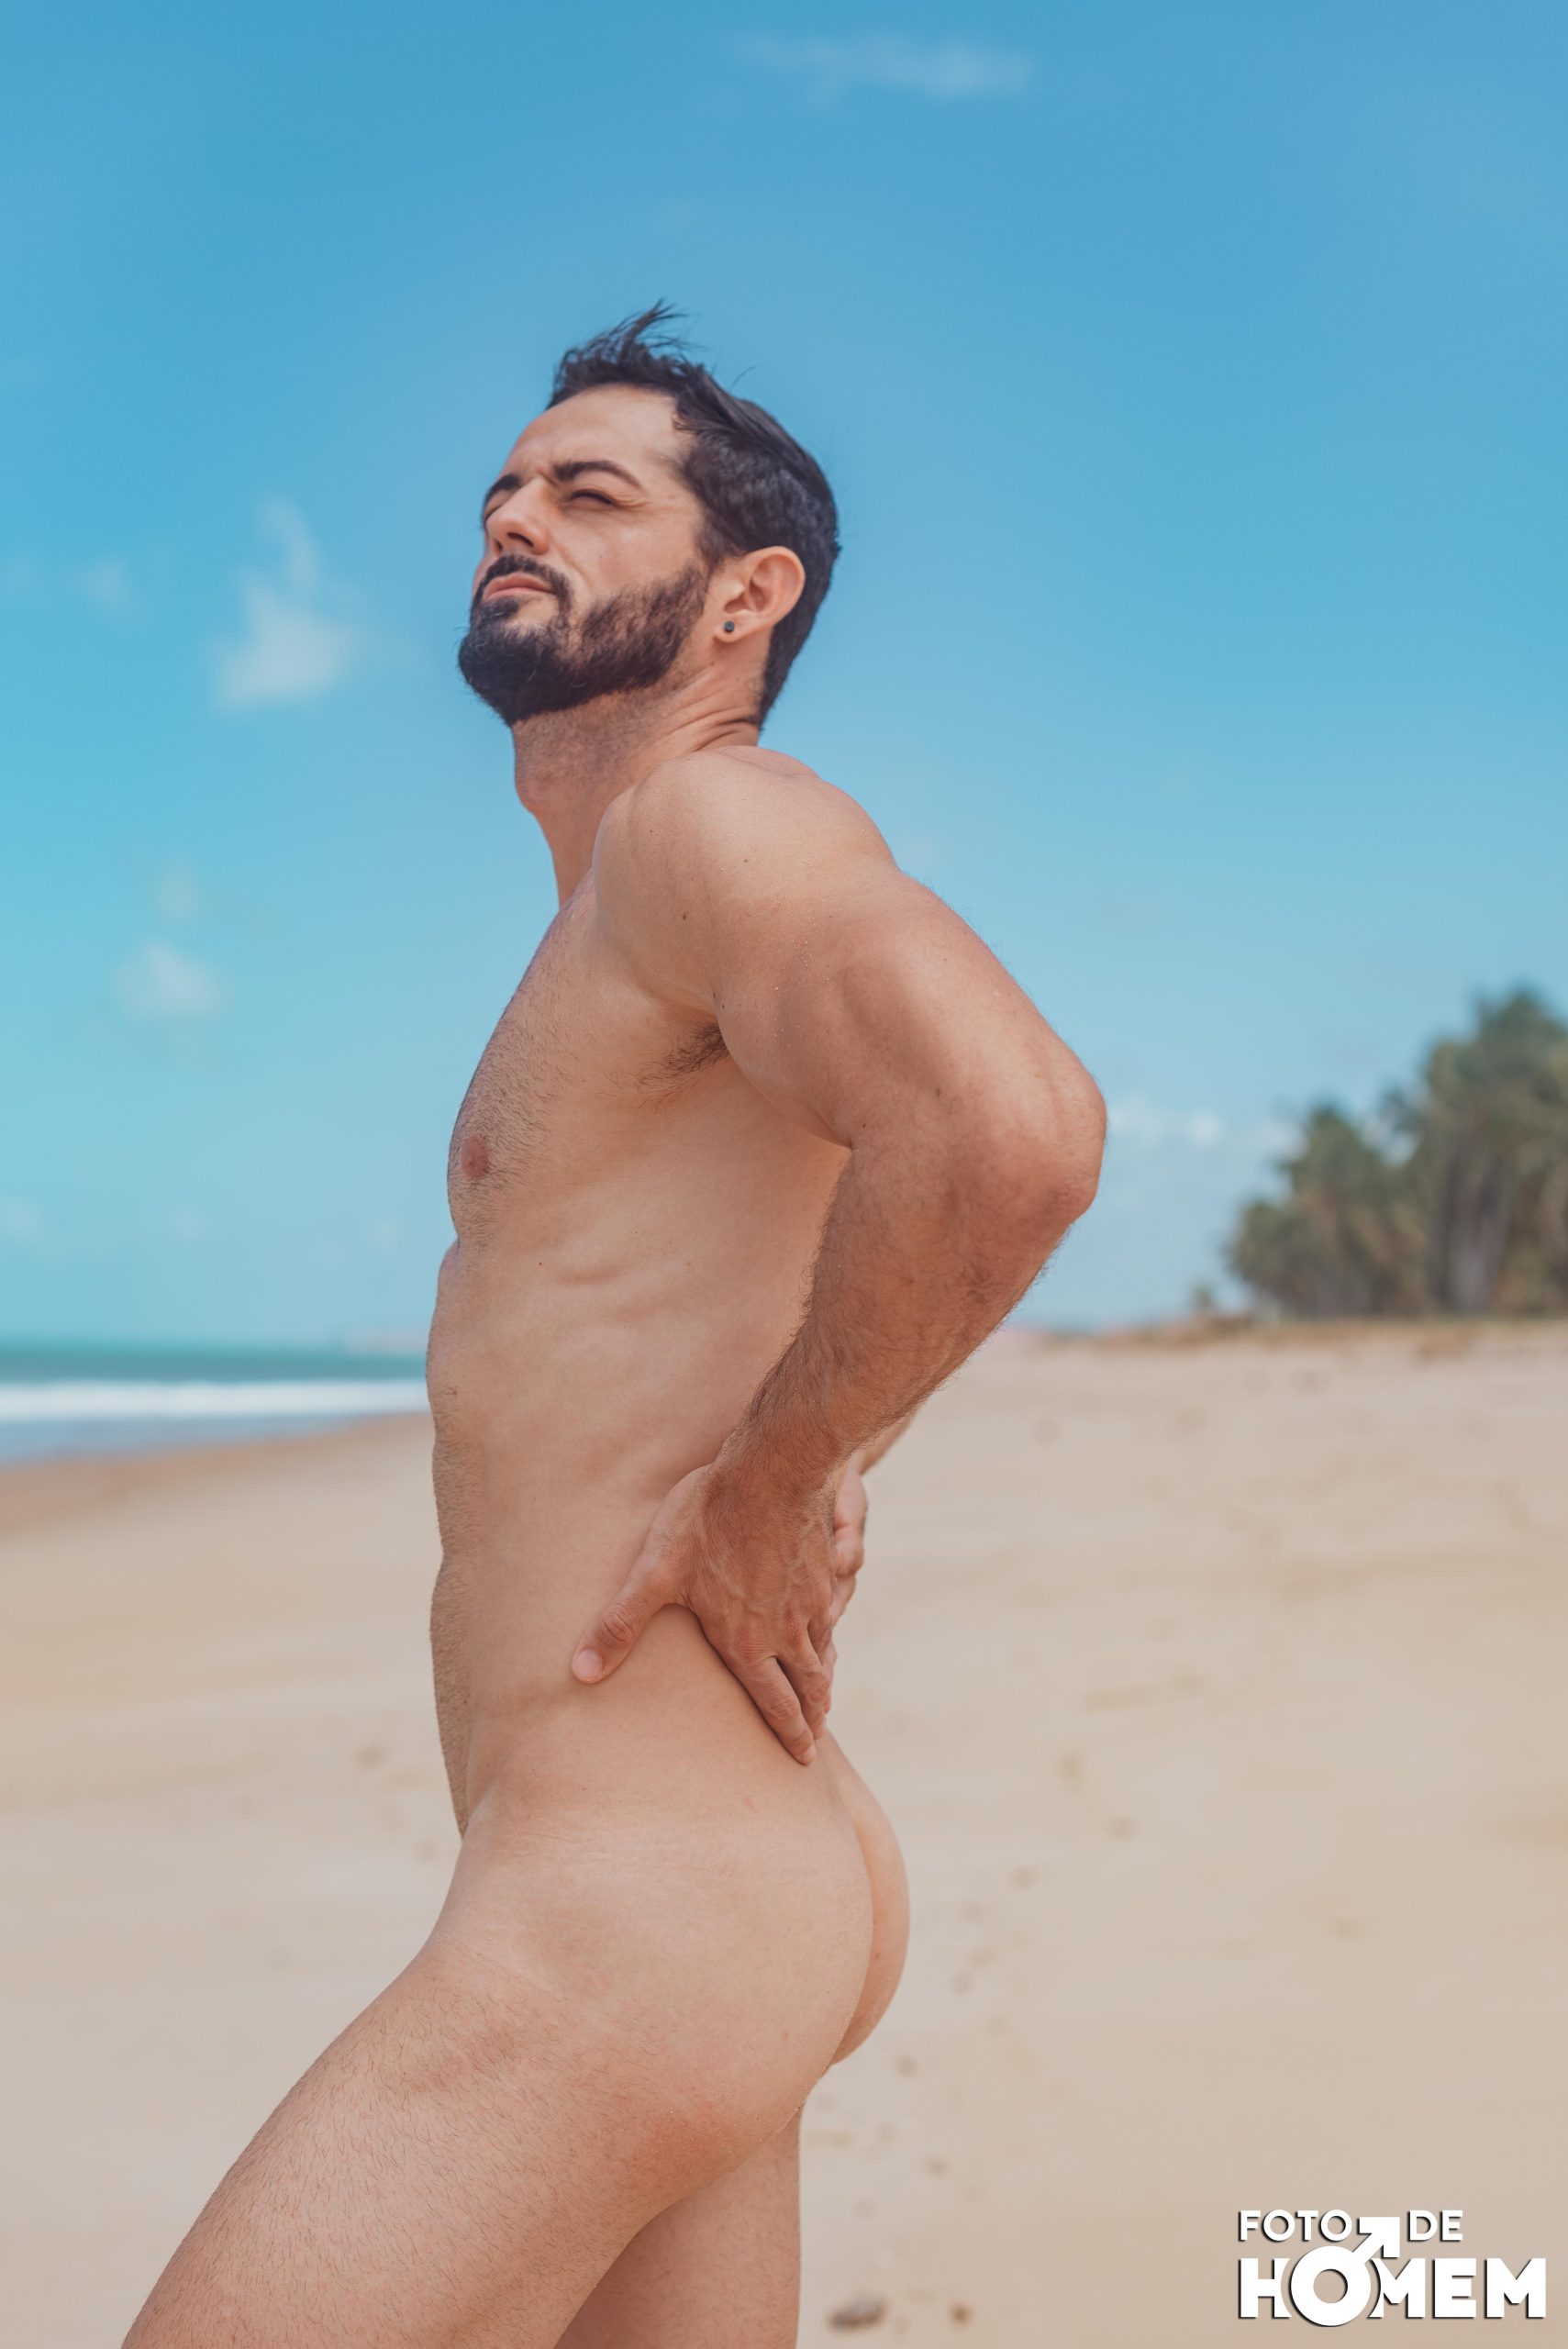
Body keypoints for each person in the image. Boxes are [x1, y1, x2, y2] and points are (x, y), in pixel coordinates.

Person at [125, 306, 1106, 2348]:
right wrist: (822, 1436)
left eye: (589, 492)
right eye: (504, 487)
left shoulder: (711, 828)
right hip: (709, 1877)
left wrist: (777, 1480)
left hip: (638, 1905)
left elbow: (1010, 1128)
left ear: (749, 596)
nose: (515, 517)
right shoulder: (615, 917)